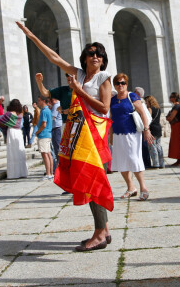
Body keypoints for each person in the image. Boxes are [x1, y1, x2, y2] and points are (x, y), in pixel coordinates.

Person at [17, 21, 113, 252]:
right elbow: (55, 58)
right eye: (91, 54)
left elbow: (104, 107)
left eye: (99, 54)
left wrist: (79, 92)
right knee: (86, 179)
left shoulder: (104, 78)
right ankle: (104, 231)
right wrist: (31, 36)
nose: (95, 57)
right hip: (78, 133)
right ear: (84, 58)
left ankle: (100, 233)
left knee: (91, 179)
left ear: (103, 59)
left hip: (93, 133)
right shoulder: (78, 74)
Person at [110, 73, 154, 200]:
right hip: (118, 133)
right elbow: (112, 118)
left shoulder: (132, 96)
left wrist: (147, 130)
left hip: (132, 133)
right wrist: (110, 134)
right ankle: (131, 187)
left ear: (126, 84)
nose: (120, 85)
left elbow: (143, 114)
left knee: (134, 159)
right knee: (120, 161)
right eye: (117, 83)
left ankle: (143, 187)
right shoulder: (113, 99)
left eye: (123, 83)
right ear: (114, 85)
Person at [0, 98, 28, 179]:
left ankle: (14, 174)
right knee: (20, 152)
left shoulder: (9, 114)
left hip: (12, 132)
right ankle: (22, 172)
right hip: (18, 133)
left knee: (12, 152)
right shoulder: (20, 114)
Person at [35, 95, 53, 180]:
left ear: (43, 101)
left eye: (39, 100)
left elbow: (44, 124)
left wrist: (37, 132)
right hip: (48, 134)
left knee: (45, 154)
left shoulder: (44, 111)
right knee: (48, 153)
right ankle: (51, 172)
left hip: (44, 134)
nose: (38, 102)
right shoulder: (48, 110)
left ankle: (48, 173)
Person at [144, 95, 164, 169]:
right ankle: (161, 163)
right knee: (159, 146)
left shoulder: (150, 108)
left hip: (152, 128)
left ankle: (156, 164)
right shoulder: (158, 108)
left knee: (152, 146)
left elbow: (148, 119)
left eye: (146, 102)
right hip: (158, 127)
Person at [166, 92, 180, 166]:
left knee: (177, 143)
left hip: (177, 126)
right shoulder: (176, 106)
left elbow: (171, 117)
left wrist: (168, 117)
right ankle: (178, 159)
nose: (170, 98)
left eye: (171, 97)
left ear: (174, 98)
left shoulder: (177, 107)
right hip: (175, 126)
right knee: (176, 143)